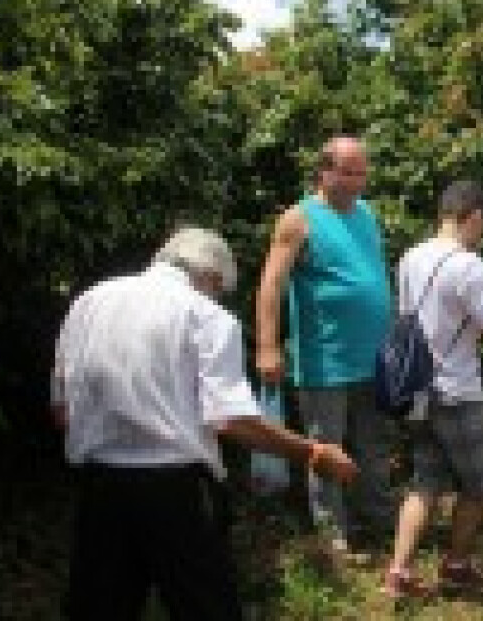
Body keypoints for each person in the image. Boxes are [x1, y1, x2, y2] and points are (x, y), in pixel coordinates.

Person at [52, 227, 358, 621]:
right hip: (174, 488)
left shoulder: (89, 303)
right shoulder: (205, 315)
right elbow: (231, 420)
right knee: (205, 605)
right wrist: (312, 451)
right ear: (212, 278)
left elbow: (63, 411)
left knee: (97, 606)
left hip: (99, 486)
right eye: (219, 289)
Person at [254, 136, 396, 555]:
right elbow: (272, 283)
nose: (357, 180)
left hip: (373, 356)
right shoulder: (299, 220)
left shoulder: (366, 212)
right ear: (324, 171)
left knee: (374, 444)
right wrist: (267, 345)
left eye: (362, 172)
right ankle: (332, 536)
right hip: (325, 359)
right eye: (349, 172)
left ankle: (377, 518)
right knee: (325, 448)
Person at [383, 180, 483, 599]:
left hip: (419, 387)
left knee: (425, 480)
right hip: (459, 390)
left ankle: (398, 572)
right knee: (480, 483)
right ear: (473, 216)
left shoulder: (410, 257)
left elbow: (407, 316)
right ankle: (456, 565)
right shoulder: (469, 265)